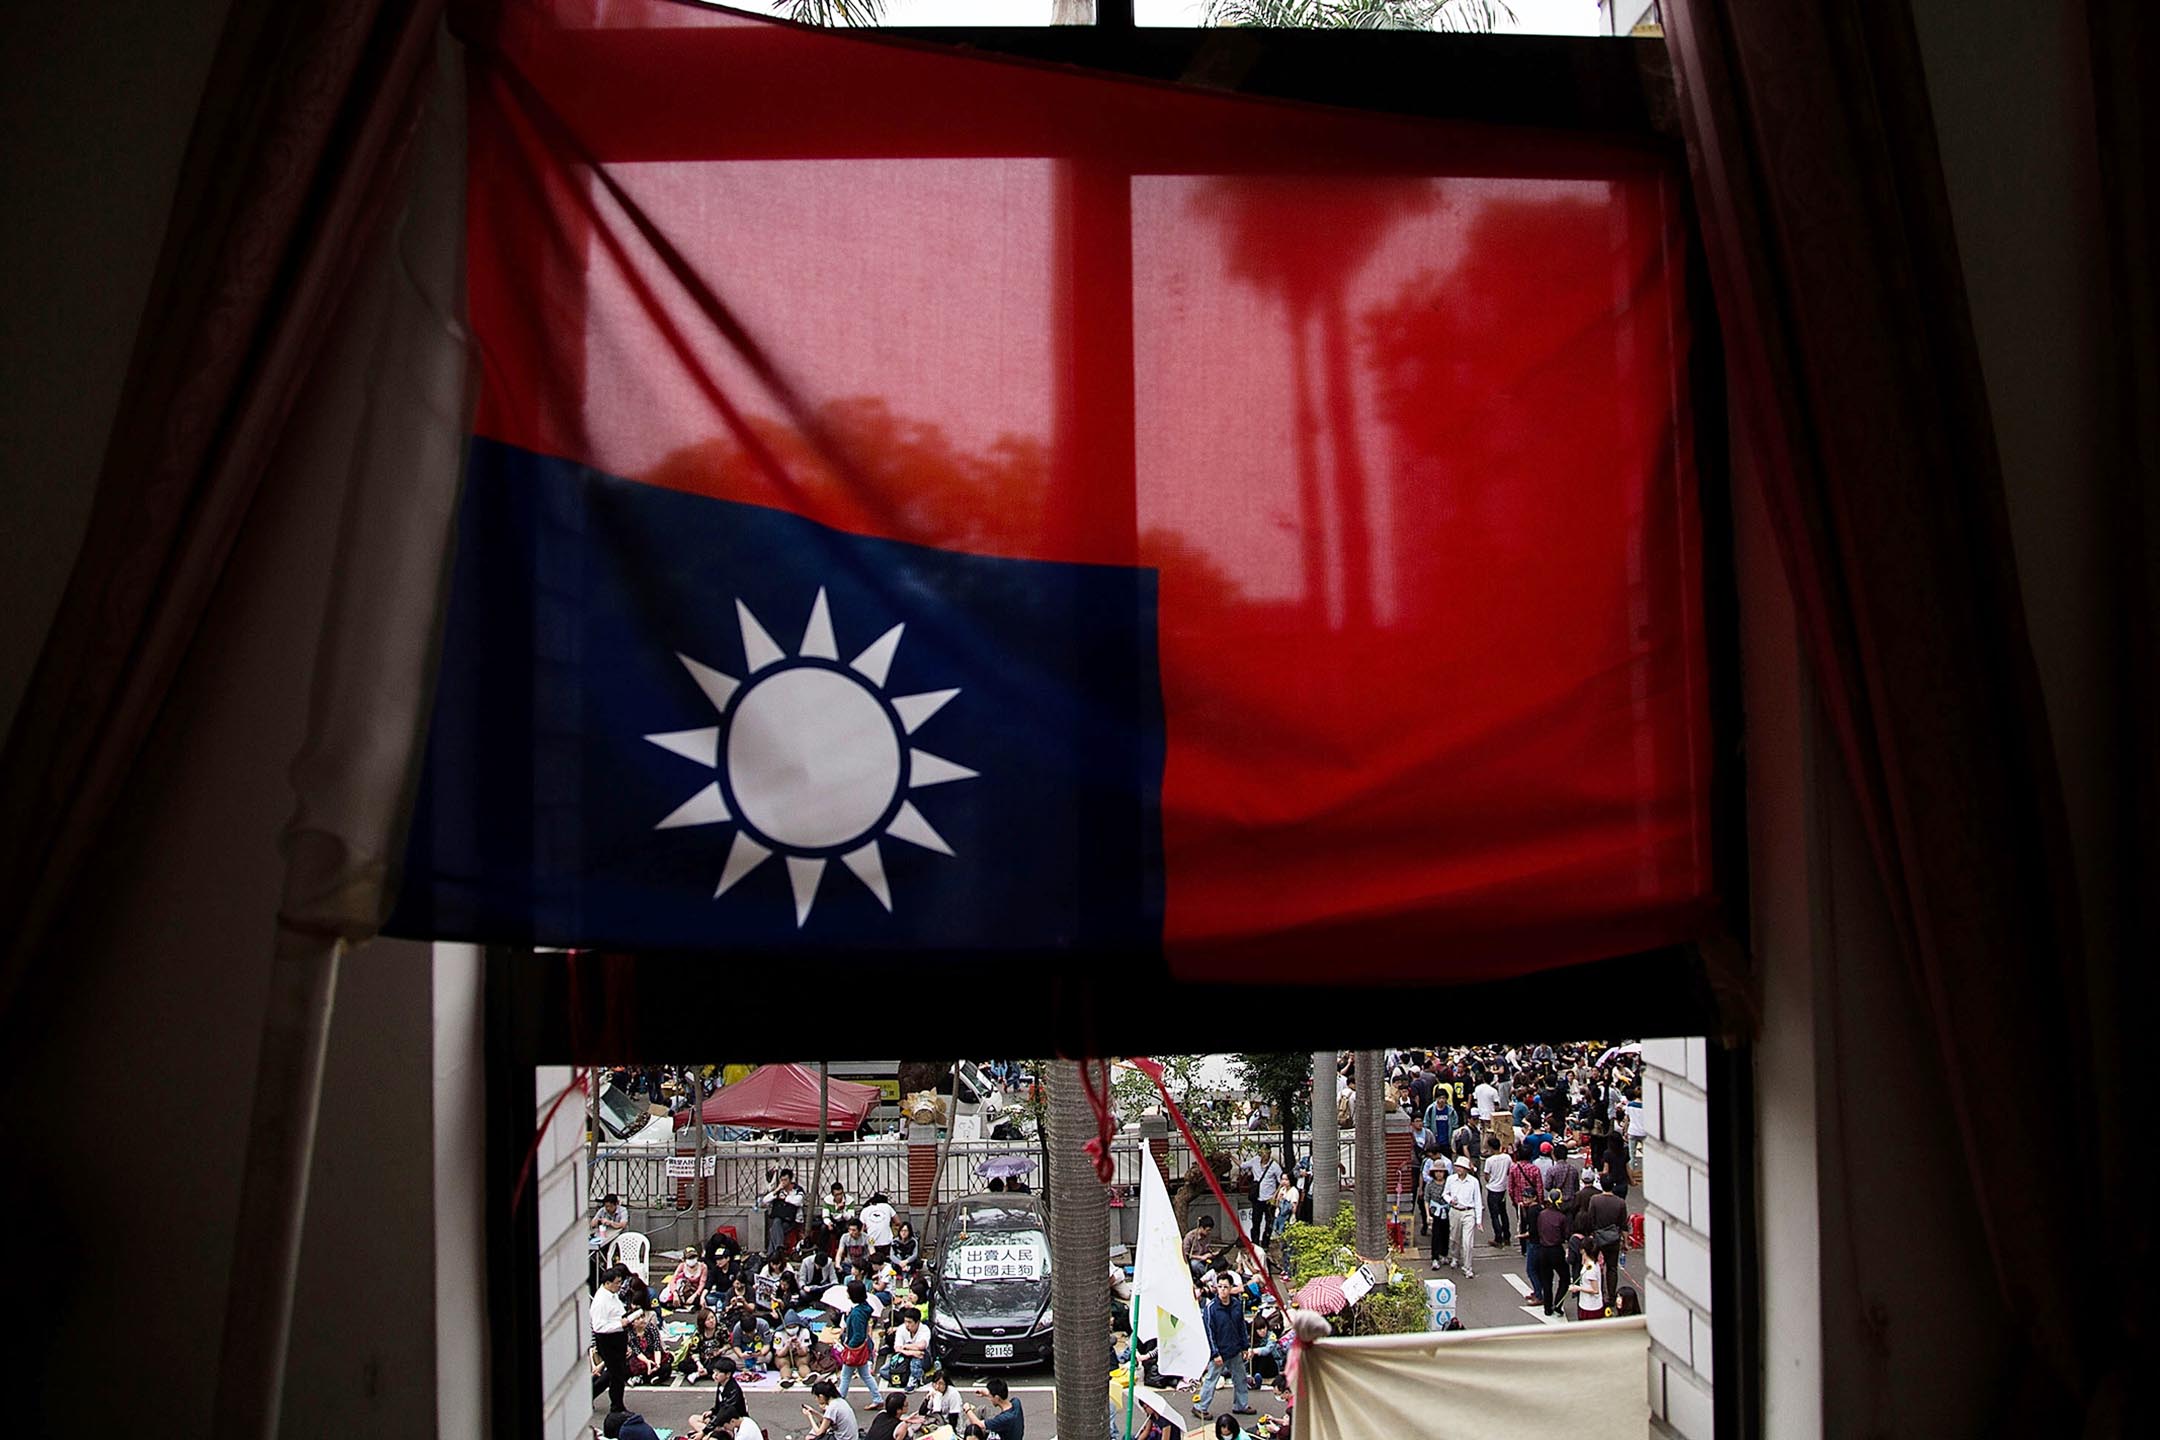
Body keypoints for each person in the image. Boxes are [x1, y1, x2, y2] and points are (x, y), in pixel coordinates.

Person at [1195, 1271, 1253, 1421]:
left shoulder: (1236, 1305)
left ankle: (1241, 1405)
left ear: (1231, 1287)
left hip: (1235, 1349)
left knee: (1240, 1378)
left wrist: (1245, 1346)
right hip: (1219, 1352)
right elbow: (1209, 1332)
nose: (1222, 1290)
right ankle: (1200, 1407)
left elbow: (1241, 1326)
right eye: (1219, 1286)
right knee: (1211, 1380)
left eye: (1225, 1287)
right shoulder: (1211, 1308)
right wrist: (1215, 1354)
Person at [590, 1264, 632, 1414]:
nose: (619, 1286)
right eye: (617, 1283)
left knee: (615, 1372)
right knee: (617, 1375)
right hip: (608, 1340)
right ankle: (617, 1406)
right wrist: (619, 1324)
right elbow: (599, 1326)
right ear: (607, 1283)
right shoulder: (601, 1301)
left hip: (618, 1337)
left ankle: (591, 1393)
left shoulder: (613, 1295)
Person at [835, 1278, 880, 1401]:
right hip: (862, 1348)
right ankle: (877, 1398)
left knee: (845, 1376)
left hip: (854, 1350)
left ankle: (839, 1399)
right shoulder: (862, 1309)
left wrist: (848, 1345)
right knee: (865, 1375)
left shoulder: (856, 1313)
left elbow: (858, 1335)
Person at [1442, 1152, 1482, 1278]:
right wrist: (1450, 1201)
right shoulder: (1450, 1179)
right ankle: (1454, 1256)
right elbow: (1445, 1194)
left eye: (1461, 1167)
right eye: (1457, 1166)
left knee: (1468, 1242)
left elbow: (1478, 1201)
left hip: (1468, 1212)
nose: (1459, 1169)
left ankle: (1467, 1267)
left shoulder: (1473, 1182)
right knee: (1454, 1238)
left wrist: (1478, 1220)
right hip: (1455, 1211)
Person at [1532, 1188, 1571, 1315]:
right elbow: (1566, 1235)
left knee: (1546, 1280)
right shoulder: (1562, 1217)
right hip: (1556, 1250)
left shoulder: (1542, 1214)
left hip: (1543, 1250)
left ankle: (1547, 1308)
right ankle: (1558, 1304)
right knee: (1565, 1278)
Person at [1243, 1147, 1285, 1248]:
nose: (1266, 1155)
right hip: (1257, 1199)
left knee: (1269, 1222)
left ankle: (1265, 1244)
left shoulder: (1274, 1166)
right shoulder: (1255, 1161)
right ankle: (1255, 1243)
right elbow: (1242, 1165)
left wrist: (1275, 1195)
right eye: (1264, 1153)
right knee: (1255, 1222)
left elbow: (1281, 1182)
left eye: (1268, 1153)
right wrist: (1230, 1156)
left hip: (1269, 1199)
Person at [883, 1307, 932, 1389]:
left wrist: (905, 1347)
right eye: (905, 1321)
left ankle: (913, 1380)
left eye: (910, 1322)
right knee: (883, 1370)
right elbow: (897, 1348)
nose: (907, 1325)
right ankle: (908, 1376)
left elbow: (921, 1346)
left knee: (916, 1361)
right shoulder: (901, 1329)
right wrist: (913, 1352)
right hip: (906, 1356)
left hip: (923, 1358)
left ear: (917, 1322)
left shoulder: (924, 1329)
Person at [625, 1309, 673, 1387]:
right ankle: (643, 1377)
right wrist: (647, 1362)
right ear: (632, 1323)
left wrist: (657, 1363)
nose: (642, 1320)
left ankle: (645, 1378)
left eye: (642, 1317)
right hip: (640, 1359)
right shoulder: (630, 1334)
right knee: (625, 1369)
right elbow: (637, 1352)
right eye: (638, 1319)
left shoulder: (651, 1328)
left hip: (654, 1355)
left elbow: (657, 1347)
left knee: (666, 1367)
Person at [683, 1306, 729, 1385]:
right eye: (708, 1319)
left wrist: (720, 1350)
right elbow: (694, 1351)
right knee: (683, 1365)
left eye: (712, 1317)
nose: (712, 1321)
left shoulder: (721, 1328)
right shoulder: (698, 1333)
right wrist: (699, 1365)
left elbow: (728, 1344)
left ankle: (699, 1374)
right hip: (702, 1358)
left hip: (716, 1358)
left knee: (725, 1363)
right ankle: (706, 1372)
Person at [1481, 1136, 1512, 1247]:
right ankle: (1507, 1236)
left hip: (1493, 1189)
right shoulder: (1507, 1158)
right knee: (1503, 1213)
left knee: (1494, 1215)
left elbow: (1486, 1175)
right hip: (1503, 1188)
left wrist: (1491, 1180)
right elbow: (1509, 1170)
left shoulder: (1490, 1160)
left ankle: (1498, 1238)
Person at [764, 1169, 804, 1254]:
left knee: (773, 1230)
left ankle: (771, 1254)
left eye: (785, 1180)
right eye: (782, 1180)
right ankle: (779, 1249)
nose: (783, 1182)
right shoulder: (779, 1190)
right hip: (780, 1219)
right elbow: (765, 1201)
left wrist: (785, 1198)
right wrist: (776, 1190)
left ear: (790, 1180)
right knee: (776, 1222)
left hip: (792, 1220)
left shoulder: (797, 1190)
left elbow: (798, 1201)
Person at [1567, 1234, 1607, 1321]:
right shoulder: (1591, 1263)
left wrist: (1578, 1288)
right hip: (1587, 1304)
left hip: (1590, 1306)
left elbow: (1595, 1290)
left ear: (1583, 1250)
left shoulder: (1590, 1269)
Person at [860, 1192, 898, 1259]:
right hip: (887, 1242)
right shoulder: (887, 1207)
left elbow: (861, 1230)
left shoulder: (864, 1210)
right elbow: (898, 1222)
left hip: (872, 1243)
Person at [1184, 1215, 1220, 1280]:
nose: (1209, 1232)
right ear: (1201, 1228)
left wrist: (1212, 1253)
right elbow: (1185, 1254)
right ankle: (1207, 1277)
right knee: (1194, 1264)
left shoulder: (1207, 1236)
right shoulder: (1190, 1237)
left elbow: (1208, 1247)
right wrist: (1200, 1257)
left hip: (1205, 1257)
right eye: (1207, 1230)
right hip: (1196, 1259)